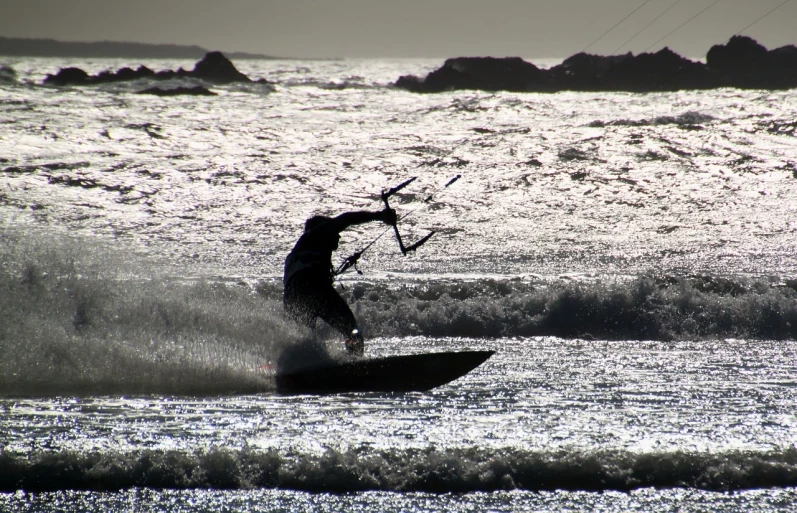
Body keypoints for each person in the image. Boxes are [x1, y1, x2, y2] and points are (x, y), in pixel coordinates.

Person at [283, 207, 397, 356]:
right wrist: (380, 215)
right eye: (335, 232)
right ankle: (355, 365)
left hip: (292, 297)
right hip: (311, 286)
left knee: (306, 341)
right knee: (351, 330)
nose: (338, 237)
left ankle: (304, 367)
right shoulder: (317, 233)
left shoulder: (298, 253)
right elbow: (347, 218)